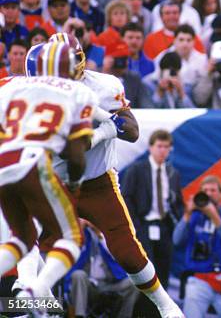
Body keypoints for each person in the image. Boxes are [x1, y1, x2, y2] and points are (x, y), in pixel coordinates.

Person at [19, 36, 183, 318]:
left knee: (127, 250)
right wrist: (100, 130)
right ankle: (27, 299)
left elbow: (131, 131)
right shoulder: (29, 93)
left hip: (97, 183)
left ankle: (167, 306)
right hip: (53, 180)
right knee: (23, 236)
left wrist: (103, 129)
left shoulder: (102, 86)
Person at [0, 42, 96, 306]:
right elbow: (76, 155)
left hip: (3, 164)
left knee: (22, 238)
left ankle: (31, 289)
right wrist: (75, 184)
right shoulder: (79, 92)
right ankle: (35, 292)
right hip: (33, 162)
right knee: (72, 236)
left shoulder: (13, 86)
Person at [173, 175, 221, 317]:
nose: (209, 194)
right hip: (199, 278)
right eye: (205, 190)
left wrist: (214, 216)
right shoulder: (194, 216)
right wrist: (187, 214)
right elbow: (176, 240)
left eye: (213, 190)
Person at [121, 130, 184, 288]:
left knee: (164, 271)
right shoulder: (137, 169)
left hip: (164, 227)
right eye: (159, 146)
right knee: (147, 272)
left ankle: (161, 311)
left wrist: (175, 220)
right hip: (144, 225)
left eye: (166, 147)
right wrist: (135, 225)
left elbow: (178, 202)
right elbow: (126, 197)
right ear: (151, 147)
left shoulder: (172, 173)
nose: (163, 150)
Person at [64, 222, 139, 318]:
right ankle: (79, 316)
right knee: (78, 275)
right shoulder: (81, 234)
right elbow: (74, 257)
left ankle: (124, 316)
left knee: (133, 283)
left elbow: (119, 257)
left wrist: (100, 236)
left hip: (112, 284)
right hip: (89, 286)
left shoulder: (113, 235)